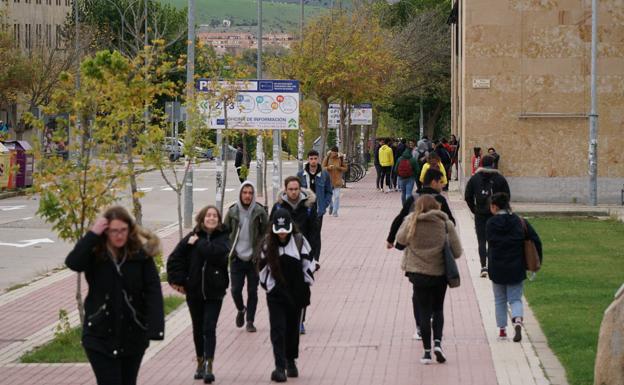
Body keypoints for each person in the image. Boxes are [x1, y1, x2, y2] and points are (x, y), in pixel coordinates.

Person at [65, 206, 165, 385]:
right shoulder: (95, 254)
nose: (119, 235)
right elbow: (73, 262)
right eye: (114, 231)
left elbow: (153, 291)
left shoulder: (140, 256)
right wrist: (92, 235)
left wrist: (155, 327)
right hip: (99, 334)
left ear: (130, 230)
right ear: (105, 231)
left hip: (133, 334)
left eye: (123, 230)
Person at [167, 206, 231, 383]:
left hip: (214, 292)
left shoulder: (224, 238)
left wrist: (199, 243)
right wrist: (179, 281)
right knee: (197, 328)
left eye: (214, 216)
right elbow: (174, 259)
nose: (211, 218)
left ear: (218, 219)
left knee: (209, 328)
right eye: (208, 215)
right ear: (202, 218)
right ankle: (200, 362)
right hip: (194, 291)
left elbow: (215, 254)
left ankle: (209, 365)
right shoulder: (191, 237)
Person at [396, 195, 463, 365]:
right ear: (436, 206)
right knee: (438, 309)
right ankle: (438, 344)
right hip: (439, 274)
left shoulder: (411, 221)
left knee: (424, 311)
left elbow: (401, 239)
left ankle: (426, 352)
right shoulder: (445, 224)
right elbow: (457, 251)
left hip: (418, 274)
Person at [259, 209, 315, 382]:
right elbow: (262, 269)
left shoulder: (299, 241)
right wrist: (270, 287)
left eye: (285, 229)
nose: (282, 233)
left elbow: (309, 264)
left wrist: (305, 285)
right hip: (275, 294)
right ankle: (279, 366)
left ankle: (291, 361)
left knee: (292, 328)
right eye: (279, 229)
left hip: (296, 293)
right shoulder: (267, 243)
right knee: (277, 329)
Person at [486, 193, 542, 342]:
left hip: (497, 267)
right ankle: (517, 320)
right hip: (516, 267)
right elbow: (535, 240)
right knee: (515, 298)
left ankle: (502, 330)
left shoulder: (490, 223)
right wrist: (537, 262)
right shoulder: (519, 221)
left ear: (495, 207)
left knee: (499, 299)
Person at [271, 176, 320, 334]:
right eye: (290, 189)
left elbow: (314, 232)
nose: (293, 192)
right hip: (282, 254)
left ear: (300, 189)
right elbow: (270, 231)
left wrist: (314, 256)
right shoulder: (278, 208)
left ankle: (300, 321)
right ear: (285, 190)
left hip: (301, 254)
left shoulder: (308, 206)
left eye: (296, 189)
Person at [224, 181, 269, 333]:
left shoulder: (259, 211)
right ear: (240, 194)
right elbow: (225, 232)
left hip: (253, 259)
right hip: (237, 257)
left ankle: (250, 321)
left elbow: (266, 231)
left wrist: (260, 248)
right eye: (245, 192)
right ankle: (241, 309)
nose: (248, 196)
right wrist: (228, 249)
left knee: (252, 291)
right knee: (235, 289)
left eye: (250, 193)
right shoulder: (232, 212)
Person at [464, 155, 511, 278]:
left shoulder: (474, 179)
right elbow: (507, 196)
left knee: (481, 240)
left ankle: (483, 266)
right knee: (493, 241)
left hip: (480, 214)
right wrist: (501, 209)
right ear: (493, 164)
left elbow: (467, 196)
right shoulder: (499, 178)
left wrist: (474, 209)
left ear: (481, 164)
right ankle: (492, 266)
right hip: (495, 215)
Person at [297, 150, 332, 229]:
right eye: (311, 158)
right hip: (305, 209)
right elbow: (296, 191)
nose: (313, 161)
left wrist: (324, 204)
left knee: (316, 234)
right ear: (308, 159)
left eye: (315, 158)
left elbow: (329, 191)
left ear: (318, 159)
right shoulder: (300, 174)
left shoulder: (324, 174)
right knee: (304, 232)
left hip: (318, 210)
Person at [322, 147, 348, 217]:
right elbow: (322, 167)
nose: (334, 154)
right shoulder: (327, 157)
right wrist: (328, 168)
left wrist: (339, 168)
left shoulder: (340, 158)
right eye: (333, 152)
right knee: (329, 197)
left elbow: (345, 168)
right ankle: (331, 206)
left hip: (337, 180)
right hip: (328, 181)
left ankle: (335, 211)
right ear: (331, 152)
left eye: (336, 152)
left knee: (337, 196)